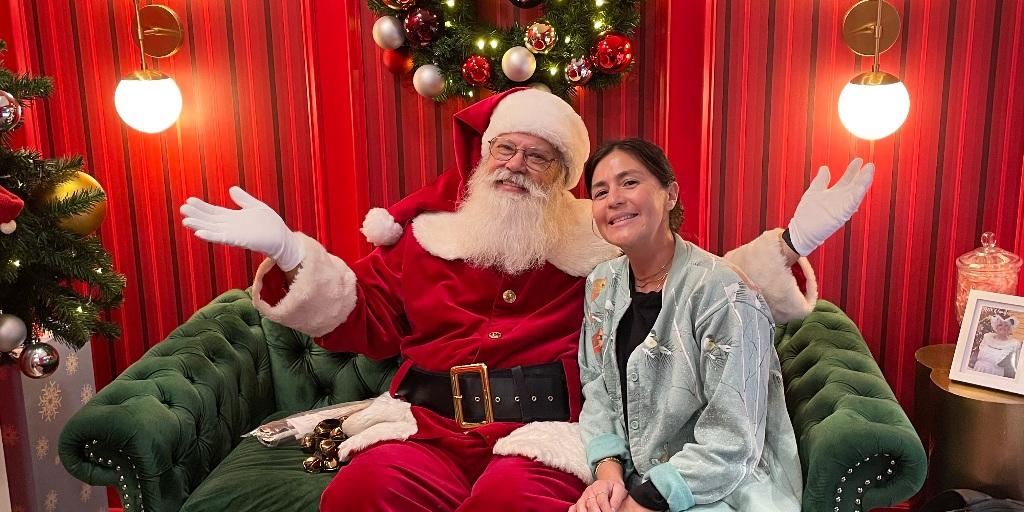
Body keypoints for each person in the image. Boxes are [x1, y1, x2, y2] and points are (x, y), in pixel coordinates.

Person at [179, 88, 873, 511]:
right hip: (425, 430)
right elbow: (362, 319)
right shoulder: (425, 239)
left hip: (543, 435)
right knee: (362, 493)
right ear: (483, 157)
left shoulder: (600, 245)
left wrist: (791, 243)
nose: (515, 165)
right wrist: (291, 253)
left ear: (564, 175)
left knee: (513, 502)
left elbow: (701, 288)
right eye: (504, 149)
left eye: (537, 156)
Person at [572, 139, 803, 512]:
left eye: (629, 182)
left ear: (670, 195)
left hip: (723, 485)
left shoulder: (724, 291)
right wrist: (607, 475)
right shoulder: (601, 284)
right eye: (600, 192)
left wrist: (642, 502)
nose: (613, 199)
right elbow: (598, 388)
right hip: (634, 477)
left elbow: (733, 439)